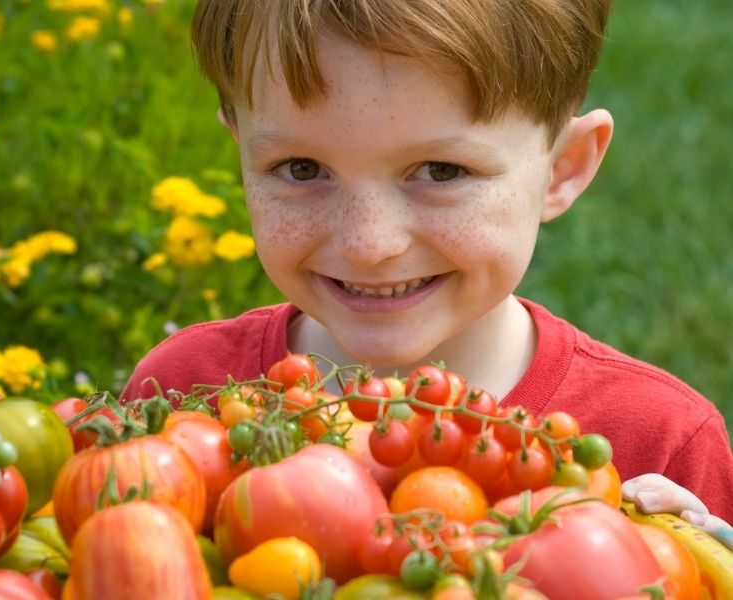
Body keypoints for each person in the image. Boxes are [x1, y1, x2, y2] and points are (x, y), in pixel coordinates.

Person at [122, 0, 733, 540]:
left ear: (563, 168)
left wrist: (696, 565)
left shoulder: (657, 444)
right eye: (302, 168)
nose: (369, 244)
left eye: (441, 171)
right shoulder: (182, 395)